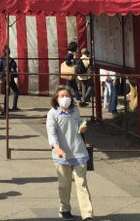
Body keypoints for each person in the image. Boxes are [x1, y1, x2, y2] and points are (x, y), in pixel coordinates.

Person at [46, 85, 93, 221]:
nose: (65, 98)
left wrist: (82, 126)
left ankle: (87, 214)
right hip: (62, 155)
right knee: (64, 185)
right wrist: (57, 148)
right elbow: (51, 133)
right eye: (62, 96)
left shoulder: (75, 110)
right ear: (56, 98)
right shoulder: (53, 113)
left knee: (82, 184)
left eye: (67, 96)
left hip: (78, 152)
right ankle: (65, 208)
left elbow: (79, 123)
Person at [0, 46, 20, 112]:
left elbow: (0, 69)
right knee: (16, 91)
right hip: (10, 78)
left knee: (6, 93)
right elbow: (14, 68)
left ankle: (6, 107)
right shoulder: (12, 60)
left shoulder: (1, 59)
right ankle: (14, 106)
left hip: (3, 77)